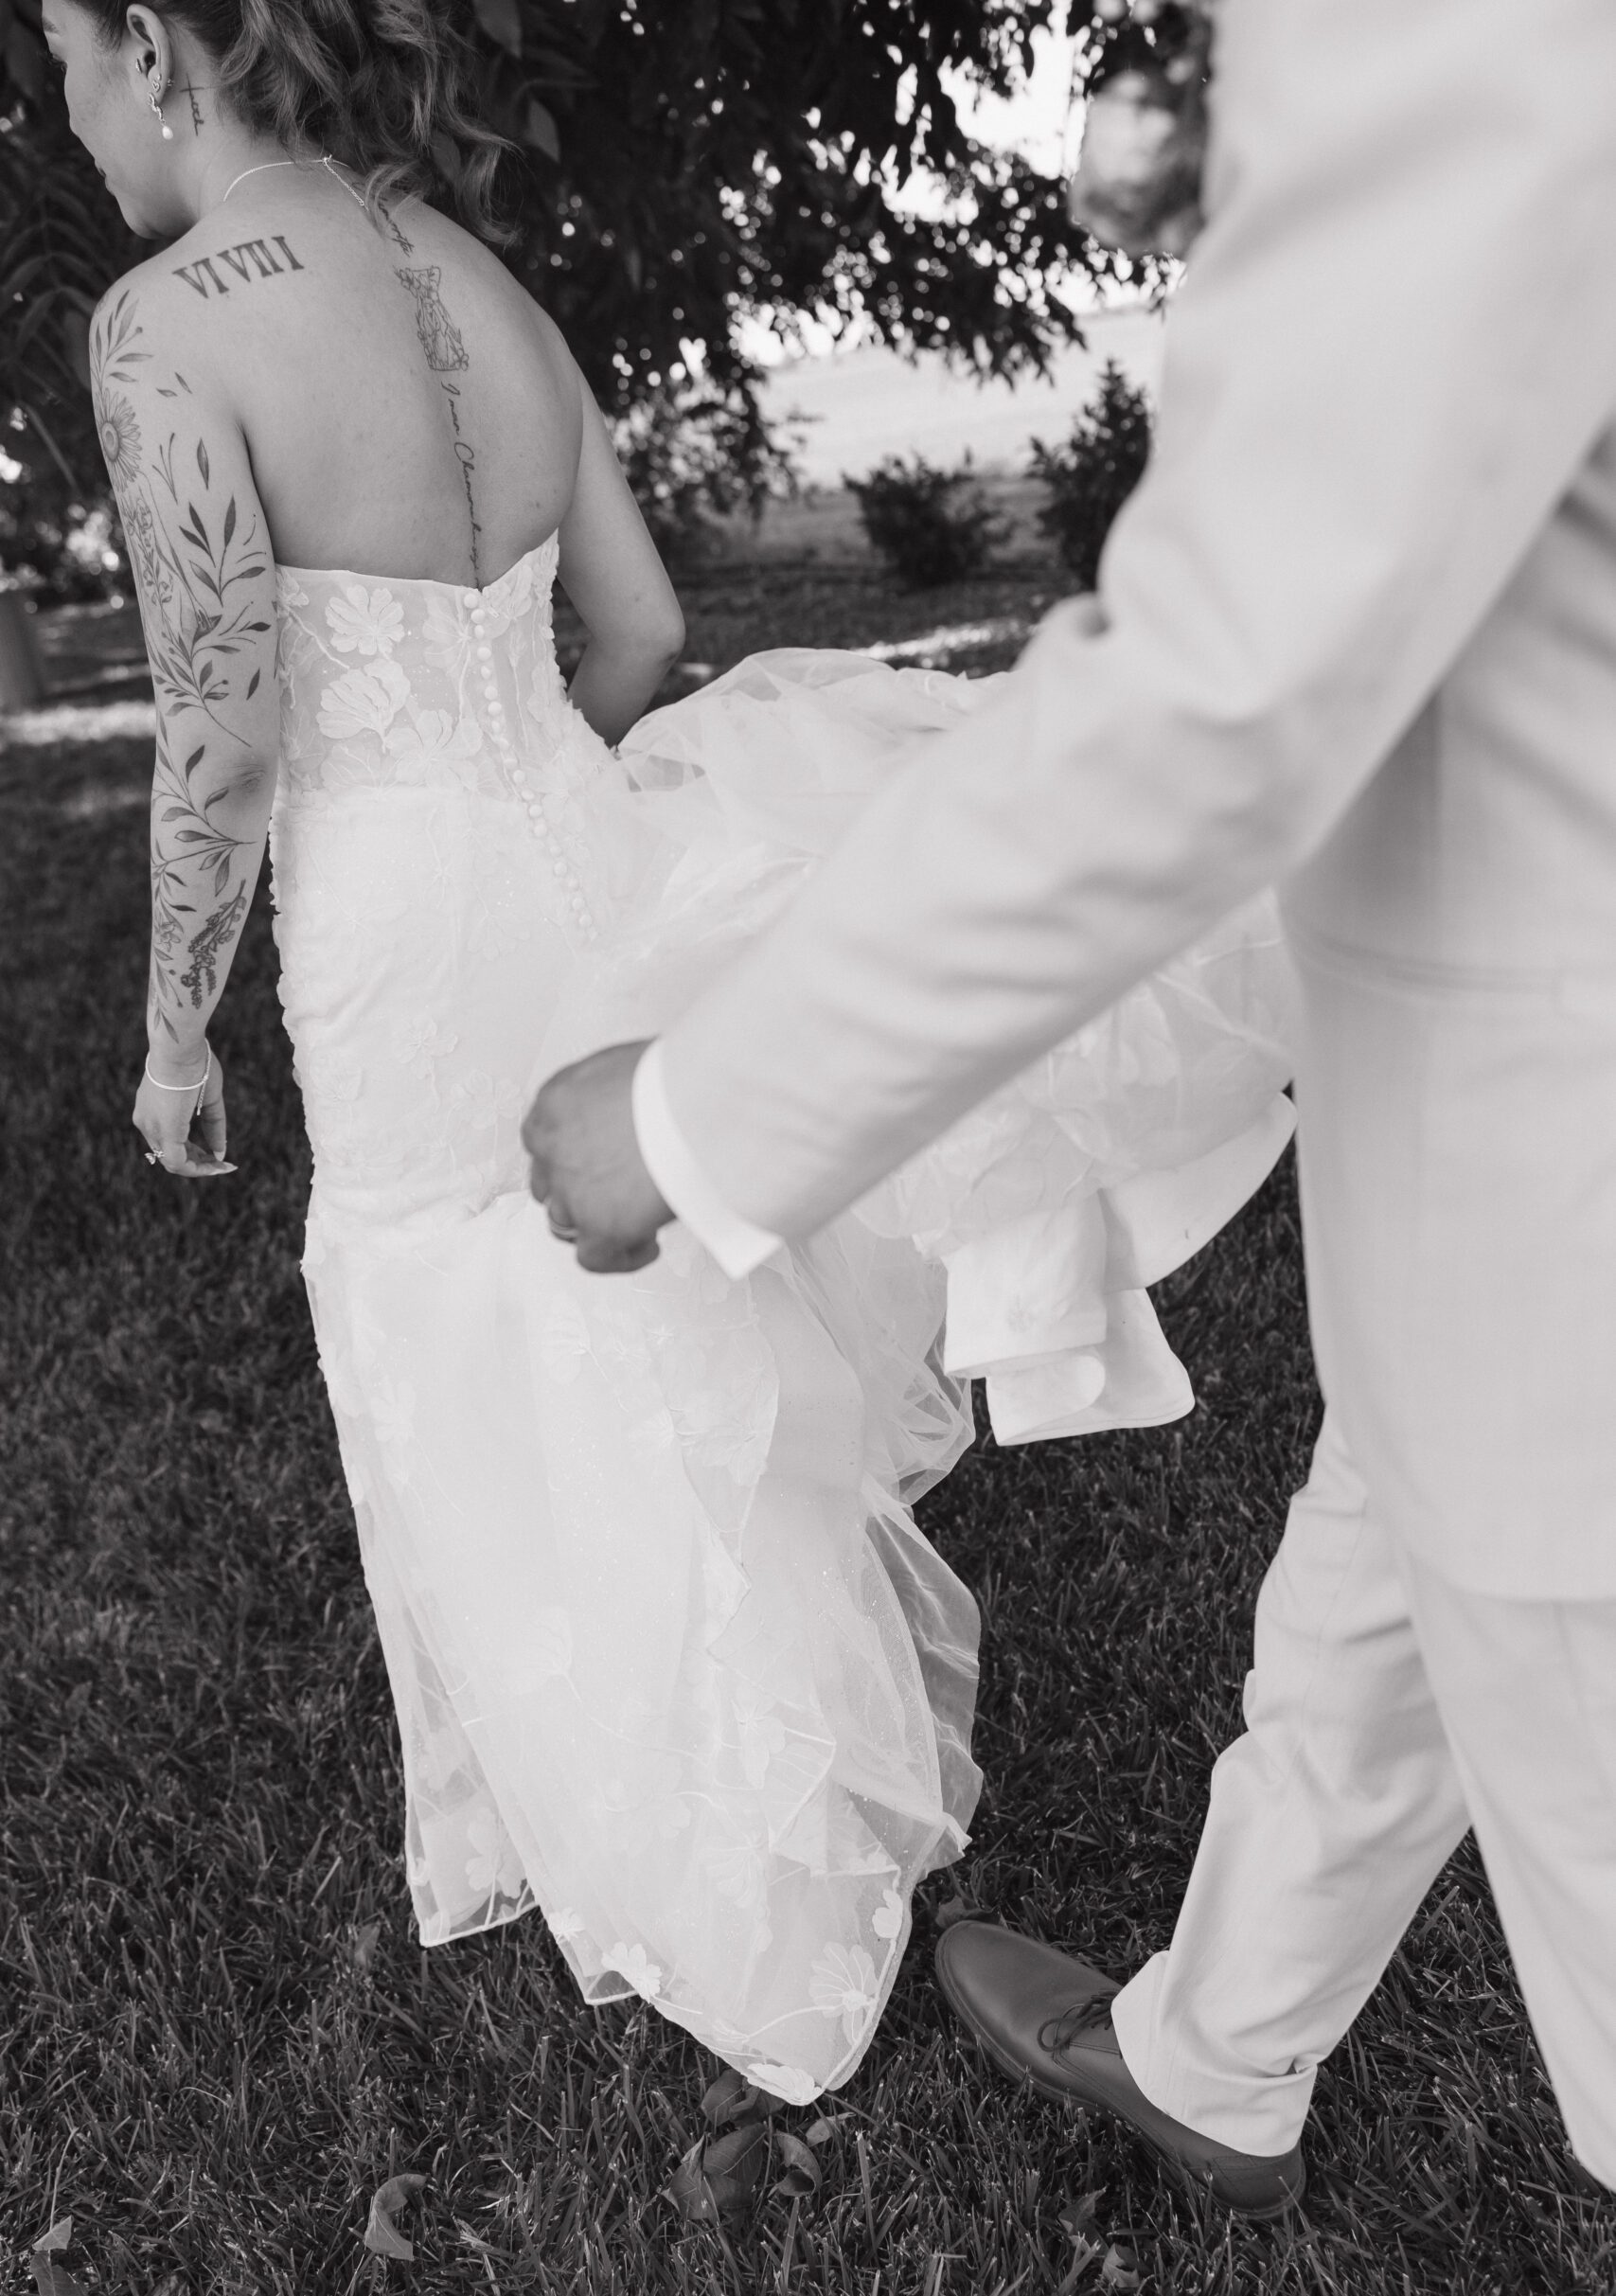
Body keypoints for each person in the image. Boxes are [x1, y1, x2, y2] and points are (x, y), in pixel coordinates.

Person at [52, 0, 1293, 2101]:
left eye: (69, 62)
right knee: (666, 1339)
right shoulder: (462, 264)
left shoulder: (164, 323)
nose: (66, 114)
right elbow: (630, 635)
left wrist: (177, 1022)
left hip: (394, 916)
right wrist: (556, 827)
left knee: (461, 1338)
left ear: (159, 51)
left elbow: (227, 726)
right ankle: (796, 1830)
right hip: (579, 841)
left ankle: (683, 1865)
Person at [525, 0, 1616, 2218]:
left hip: (1564, 1135)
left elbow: (1231, 674)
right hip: (1499, 1133)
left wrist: (703, 1108)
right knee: (1393, 1550)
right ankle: (1218, 2051)